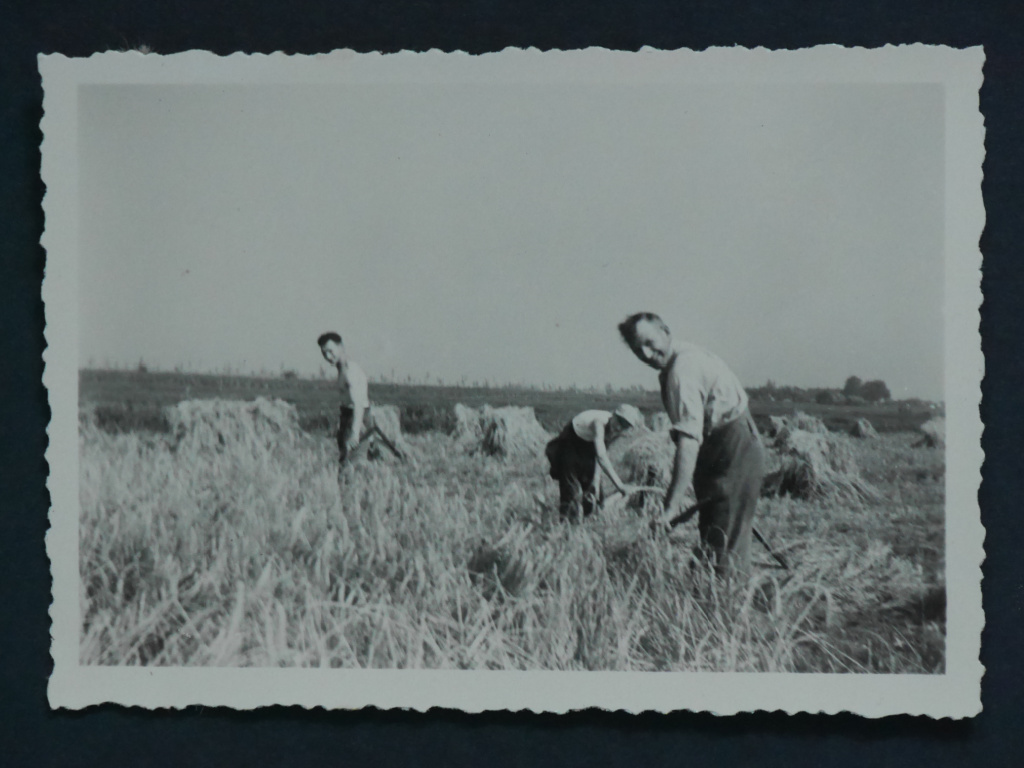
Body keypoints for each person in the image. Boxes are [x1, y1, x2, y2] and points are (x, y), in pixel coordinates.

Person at [617, 312, 764, 577]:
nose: (648, 355)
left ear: (665, 330)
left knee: (724, 549)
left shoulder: (683, 371)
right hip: (721, 446)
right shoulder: (681, 357)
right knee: (716, 534)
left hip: (733, 448)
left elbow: (688, 443)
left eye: (650, 343)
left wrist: (671, 508)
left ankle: (725, 610)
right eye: (640, 351)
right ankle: (713, 594)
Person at [545, 404, 643, 519]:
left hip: (589, 446)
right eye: (619, 421)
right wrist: (620, 485)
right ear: (614, 415)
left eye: (625, 426)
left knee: (595, 496)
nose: (619, 427)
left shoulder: (617, 431)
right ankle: (567, 526)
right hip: (570, 442)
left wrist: (596, 480)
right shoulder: (599, 422)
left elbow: (600, 453)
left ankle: (587, 522)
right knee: (572, 491)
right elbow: (602, 456)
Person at [317, 331, 371, 467]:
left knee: (354, 463)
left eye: (330, 351)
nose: (328, 357)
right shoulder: (342, 369)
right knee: (345, 461)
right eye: (324, 354)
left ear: (341, 347)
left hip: (357, 419)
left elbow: (358, 404)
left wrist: (355, 433)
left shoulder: (350, 371)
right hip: (347, 417)